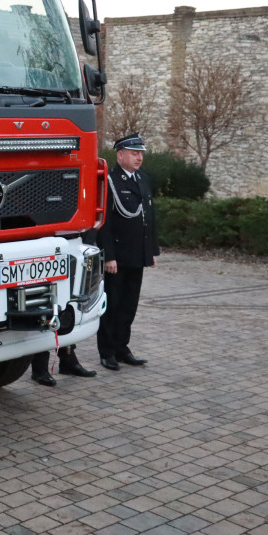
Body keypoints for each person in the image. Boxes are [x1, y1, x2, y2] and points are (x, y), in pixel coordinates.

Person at [97, 133, 159, 371]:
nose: (139, 158)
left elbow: (149, 217)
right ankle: (108, 351)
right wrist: (109, 255)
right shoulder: (111, 181)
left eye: (141, 153)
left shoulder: (143, 179)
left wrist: (151, 251)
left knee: (129, 305)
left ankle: (123, 347)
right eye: (134, 153)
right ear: (120, 155)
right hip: (118, 256)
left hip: (137, 254)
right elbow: (105, 222)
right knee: (112, 305)